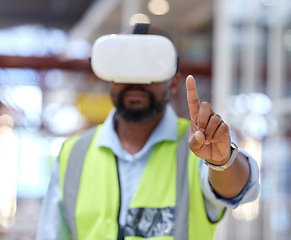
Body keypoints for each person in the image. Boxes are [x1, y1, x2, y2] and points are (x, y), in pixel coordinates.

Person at [36, 23, 259, 240]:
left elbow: (237, 190)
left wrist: (222, 161)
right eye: (124, 69)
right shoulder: (73, 154)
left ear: (173, 83)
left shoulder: (200, 147)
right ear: (110, 79)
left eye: (150, 67)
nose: (135, 82)